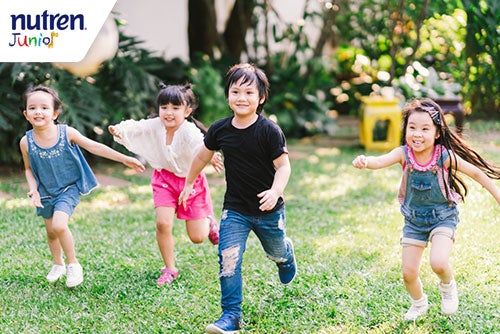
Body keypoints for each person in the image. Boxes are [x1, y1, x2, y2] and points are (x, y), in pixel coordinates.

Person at [352, 98, 500, 321]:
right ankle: (419, 303)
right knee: (408, 273)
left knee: (438, 262)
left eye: (424, 128)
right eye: (412, 128)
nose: (417, 134)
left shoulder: (444, 156)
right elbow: (380, 160)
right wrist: (365, 161)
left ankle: (448, 286)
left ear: (437, 133)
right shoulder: (403, 154)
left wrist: (498, 196)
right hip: (414, 221)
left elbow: (477, 174)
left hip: (443, 218)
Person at [179, 63, 297, 333]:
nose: (241, 98)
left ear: (261, 97)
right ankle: (231, 316)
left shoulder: (269, 130)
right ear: (228, 96)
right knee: (228, 257)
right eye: (235, 91)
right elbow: (201, 156)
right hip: (235, 210)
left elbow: (284, 166)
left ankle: (285, 256)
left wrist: (275, 191)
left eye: (249, 92)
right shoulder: (220, 130)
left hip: (269, 210)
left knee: (275, 251)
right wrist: (188, 184)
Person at [20, 85, 146, 288]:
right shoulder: (26, 142)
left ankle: (73, 264)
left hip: (68, 188)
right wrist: (33, 189)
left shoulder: (66, 132)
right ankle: (58, 264)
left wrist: (124, 159)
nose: (38, 112)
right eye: (33, 108)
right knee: (51, 232)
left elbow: (94, 146)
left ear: (55, 113)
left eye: (44, 107)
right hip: (45, 191)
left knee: (59, 225)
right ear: (26, 114)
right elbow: (28, 169)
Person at [108, 83, 222, 286]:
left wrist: (211, 156)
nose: (169, 113)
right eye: (164, 107)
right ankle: (170, 268)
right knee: (163, 224)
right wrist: (119, 130)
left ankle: (209, 221)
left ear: (187, 111)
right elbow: (137, 126)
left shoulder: (188, 130)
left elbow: (200, 145)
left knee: (197, 237)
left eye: (175, 108)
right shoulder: (155, 126)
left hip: (190, 180)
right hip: (164, 180)